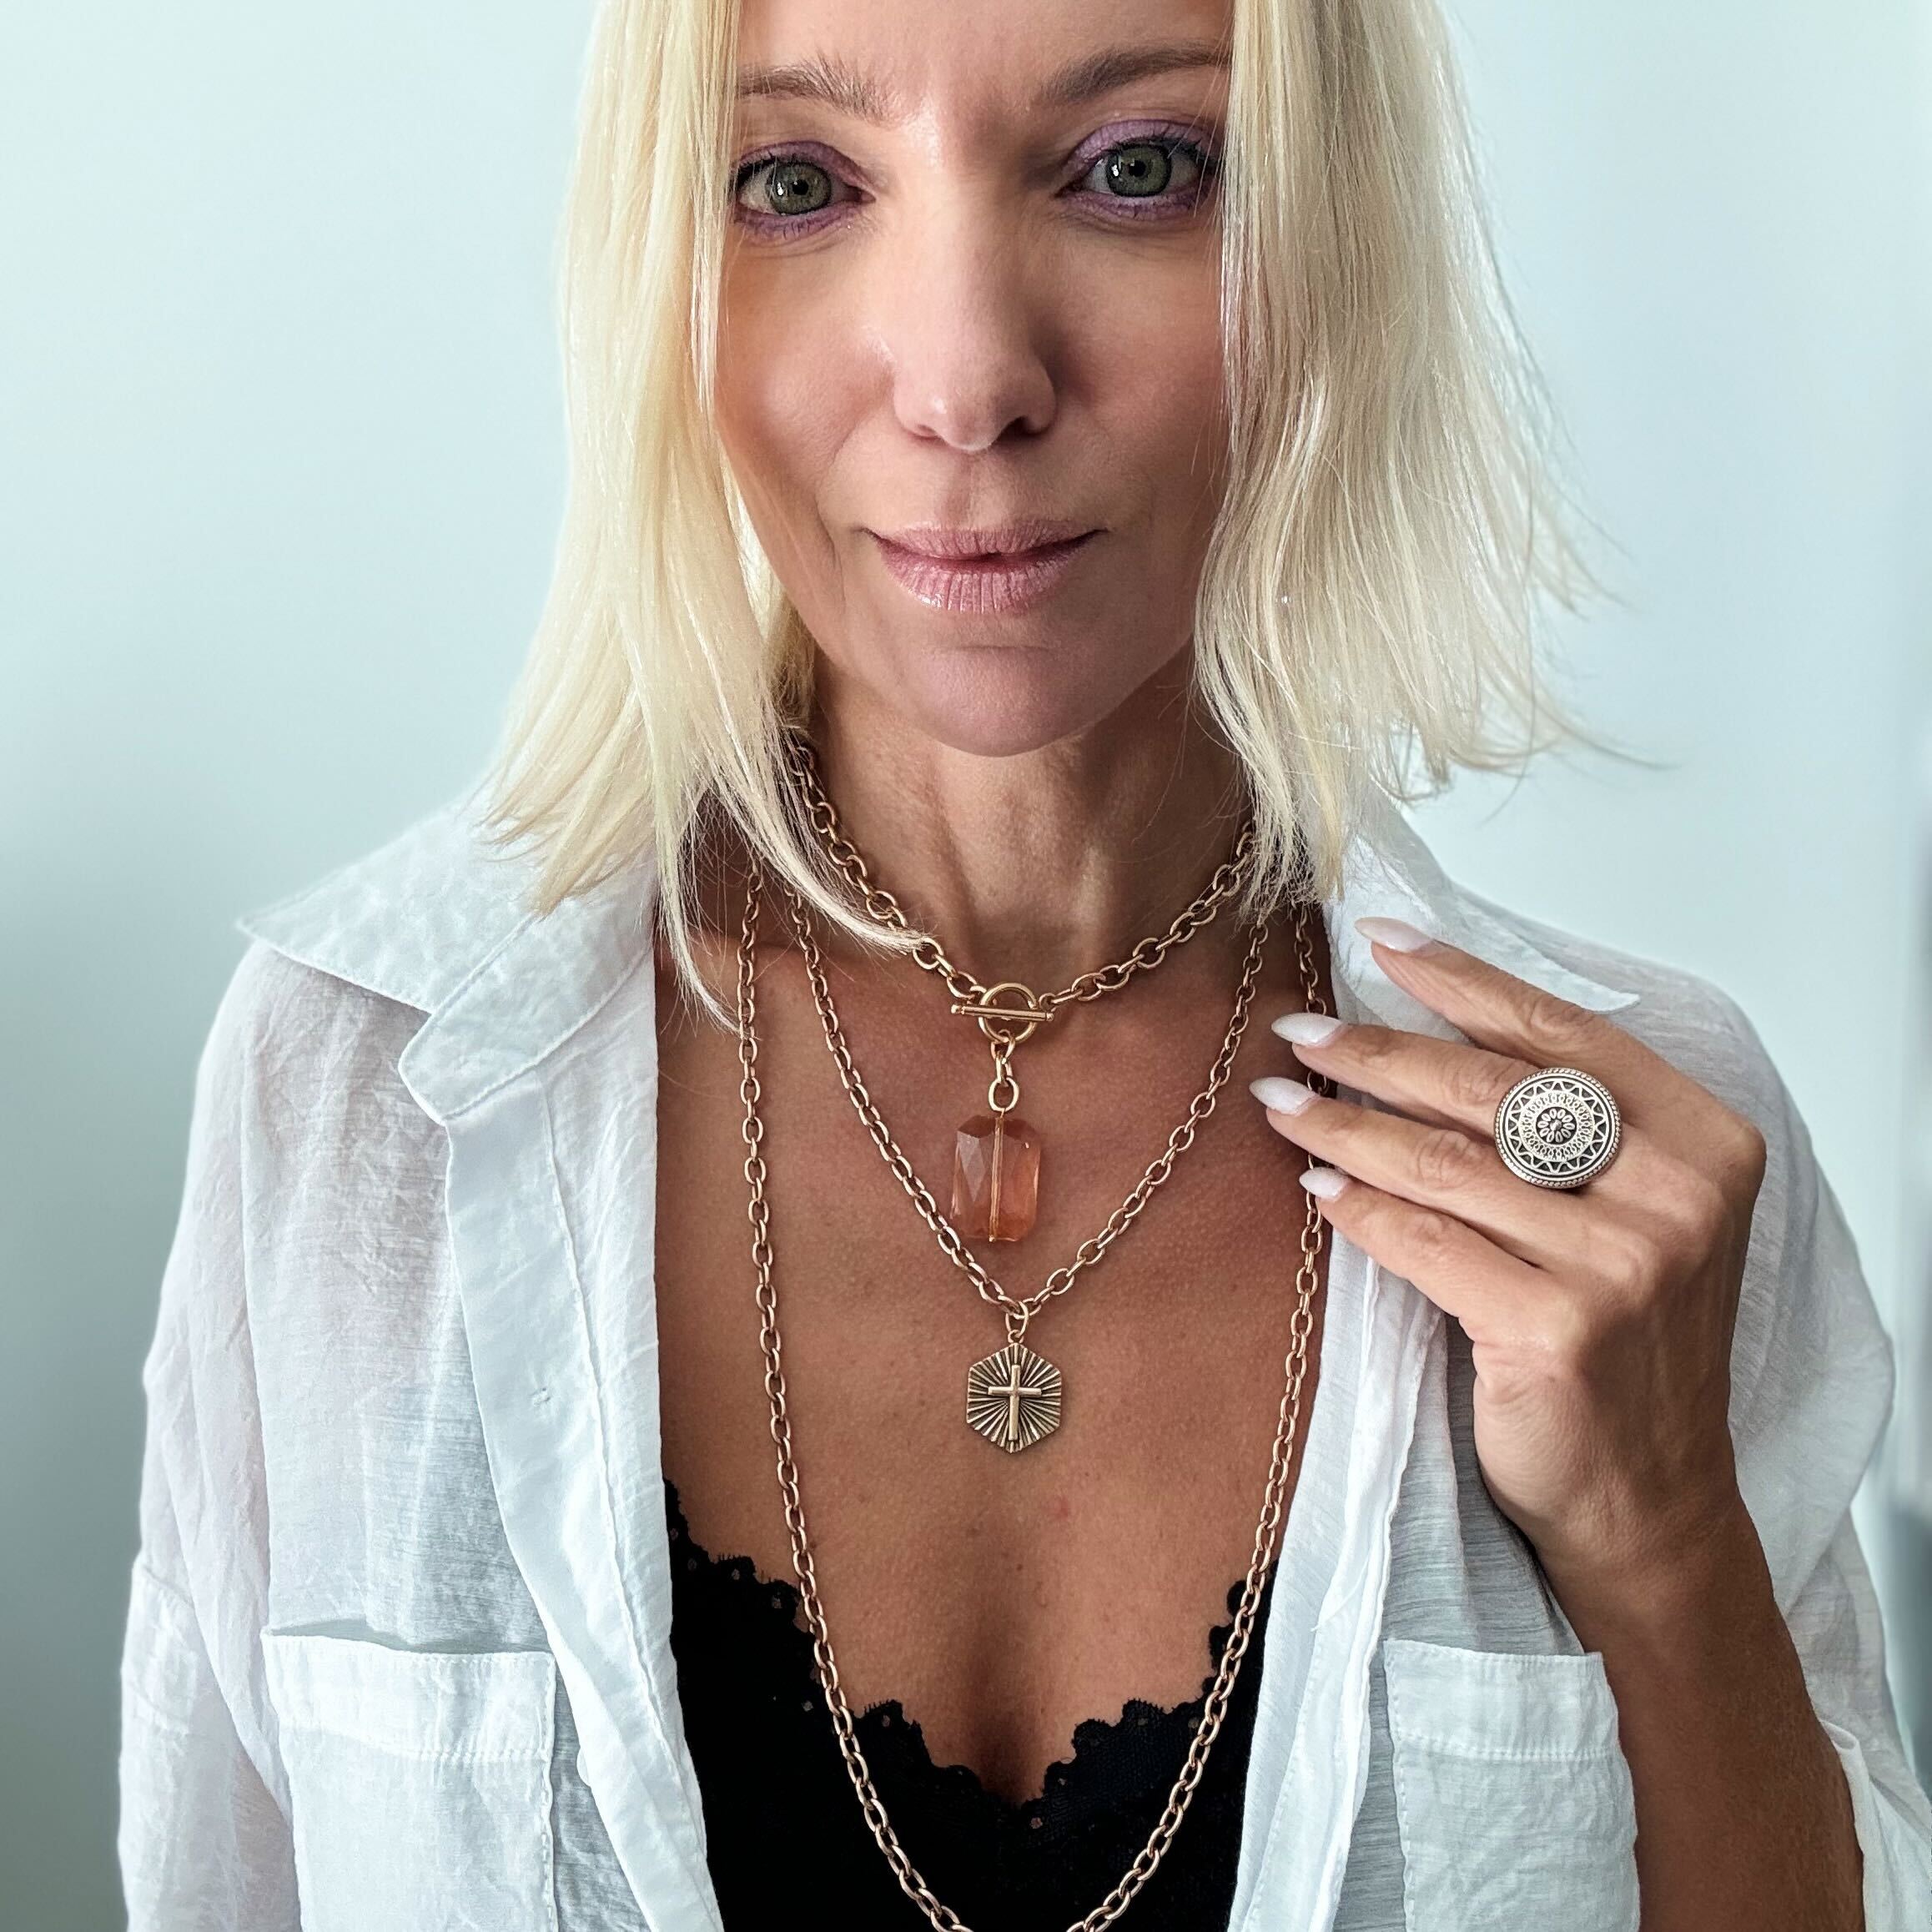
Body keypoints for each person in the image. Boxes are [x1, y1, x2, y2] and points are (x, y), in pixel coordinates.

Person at [117, 0, 1932, 1926]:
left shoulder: (1639, 1169)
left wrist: (1662, 1540)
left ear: (1333, 232)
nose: (969, 381)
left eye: (1141, 169)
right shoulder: (358, 1094)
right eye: (795, 184)